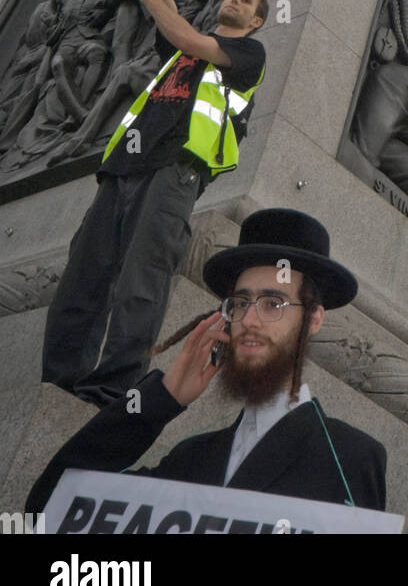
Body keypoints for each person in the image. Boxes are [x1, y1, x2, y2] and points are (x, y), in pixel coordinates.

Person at [27, 210, 387, 516]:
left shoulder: (351, 456)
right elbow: (51, 507)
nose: (249, 320)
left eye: (273, 304)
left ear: (313, 320)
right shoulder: (191, 459)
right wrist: (162, 399)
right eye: (241, 303)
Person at [41, 0, 266, 407]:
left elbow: (178, 26)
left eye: (246, 2)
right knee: (85, 274)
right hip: (124, 167)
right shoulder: (179, 45)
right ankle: (59, 378)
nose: (234, 1)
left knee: (141, 278)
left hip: (175, 171)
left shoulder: (247, 54)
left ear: (256, 22)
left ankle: (113, 384)